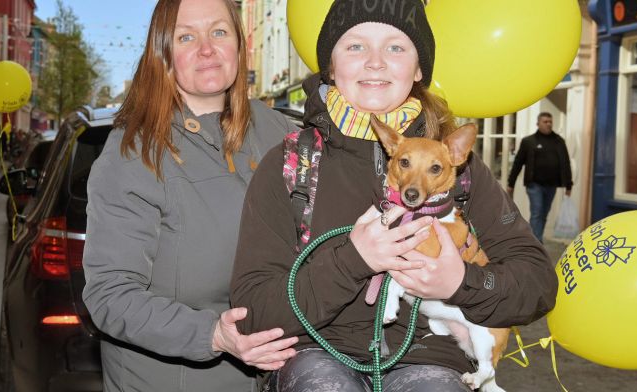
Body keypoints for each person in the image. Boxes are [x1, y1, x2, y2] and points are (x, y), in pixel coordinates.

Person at [230, 1, 558, 391]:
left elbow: (538, 285)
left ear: (419, 69)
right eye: (355, 46)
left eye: (395, 47)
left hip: (432, 357)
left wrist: (461, 282)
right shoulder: (291, 165)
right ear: (330, 66)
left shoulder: (457, 170)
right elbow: (253, 313)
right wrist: (353, 261)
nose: (375, 62)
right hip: (316, 353)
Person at [82, 0, 299, 391]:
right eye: (186, 36)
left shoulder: (278, 130)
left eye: (218, 31)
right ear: (164, 53)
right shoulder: (136, 151)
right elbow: (110, 295)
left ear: (238, 43)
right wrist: (214, 334)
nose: (206, 48)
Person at [507, 112, 573, 243]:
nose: (548, 124)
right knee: (537, 212)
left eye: (550, 121)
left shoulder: (559, 141)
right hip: (534, 185)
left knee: (544, 214)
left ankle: (536, 239)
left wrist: (569, 184)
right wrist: (511, 183)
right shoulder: (529, 141)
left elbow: (565, 162)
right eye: (545, 122)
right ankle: (536, 243)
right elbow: (518, 162)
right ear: (538, 123)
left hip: (552, 185)